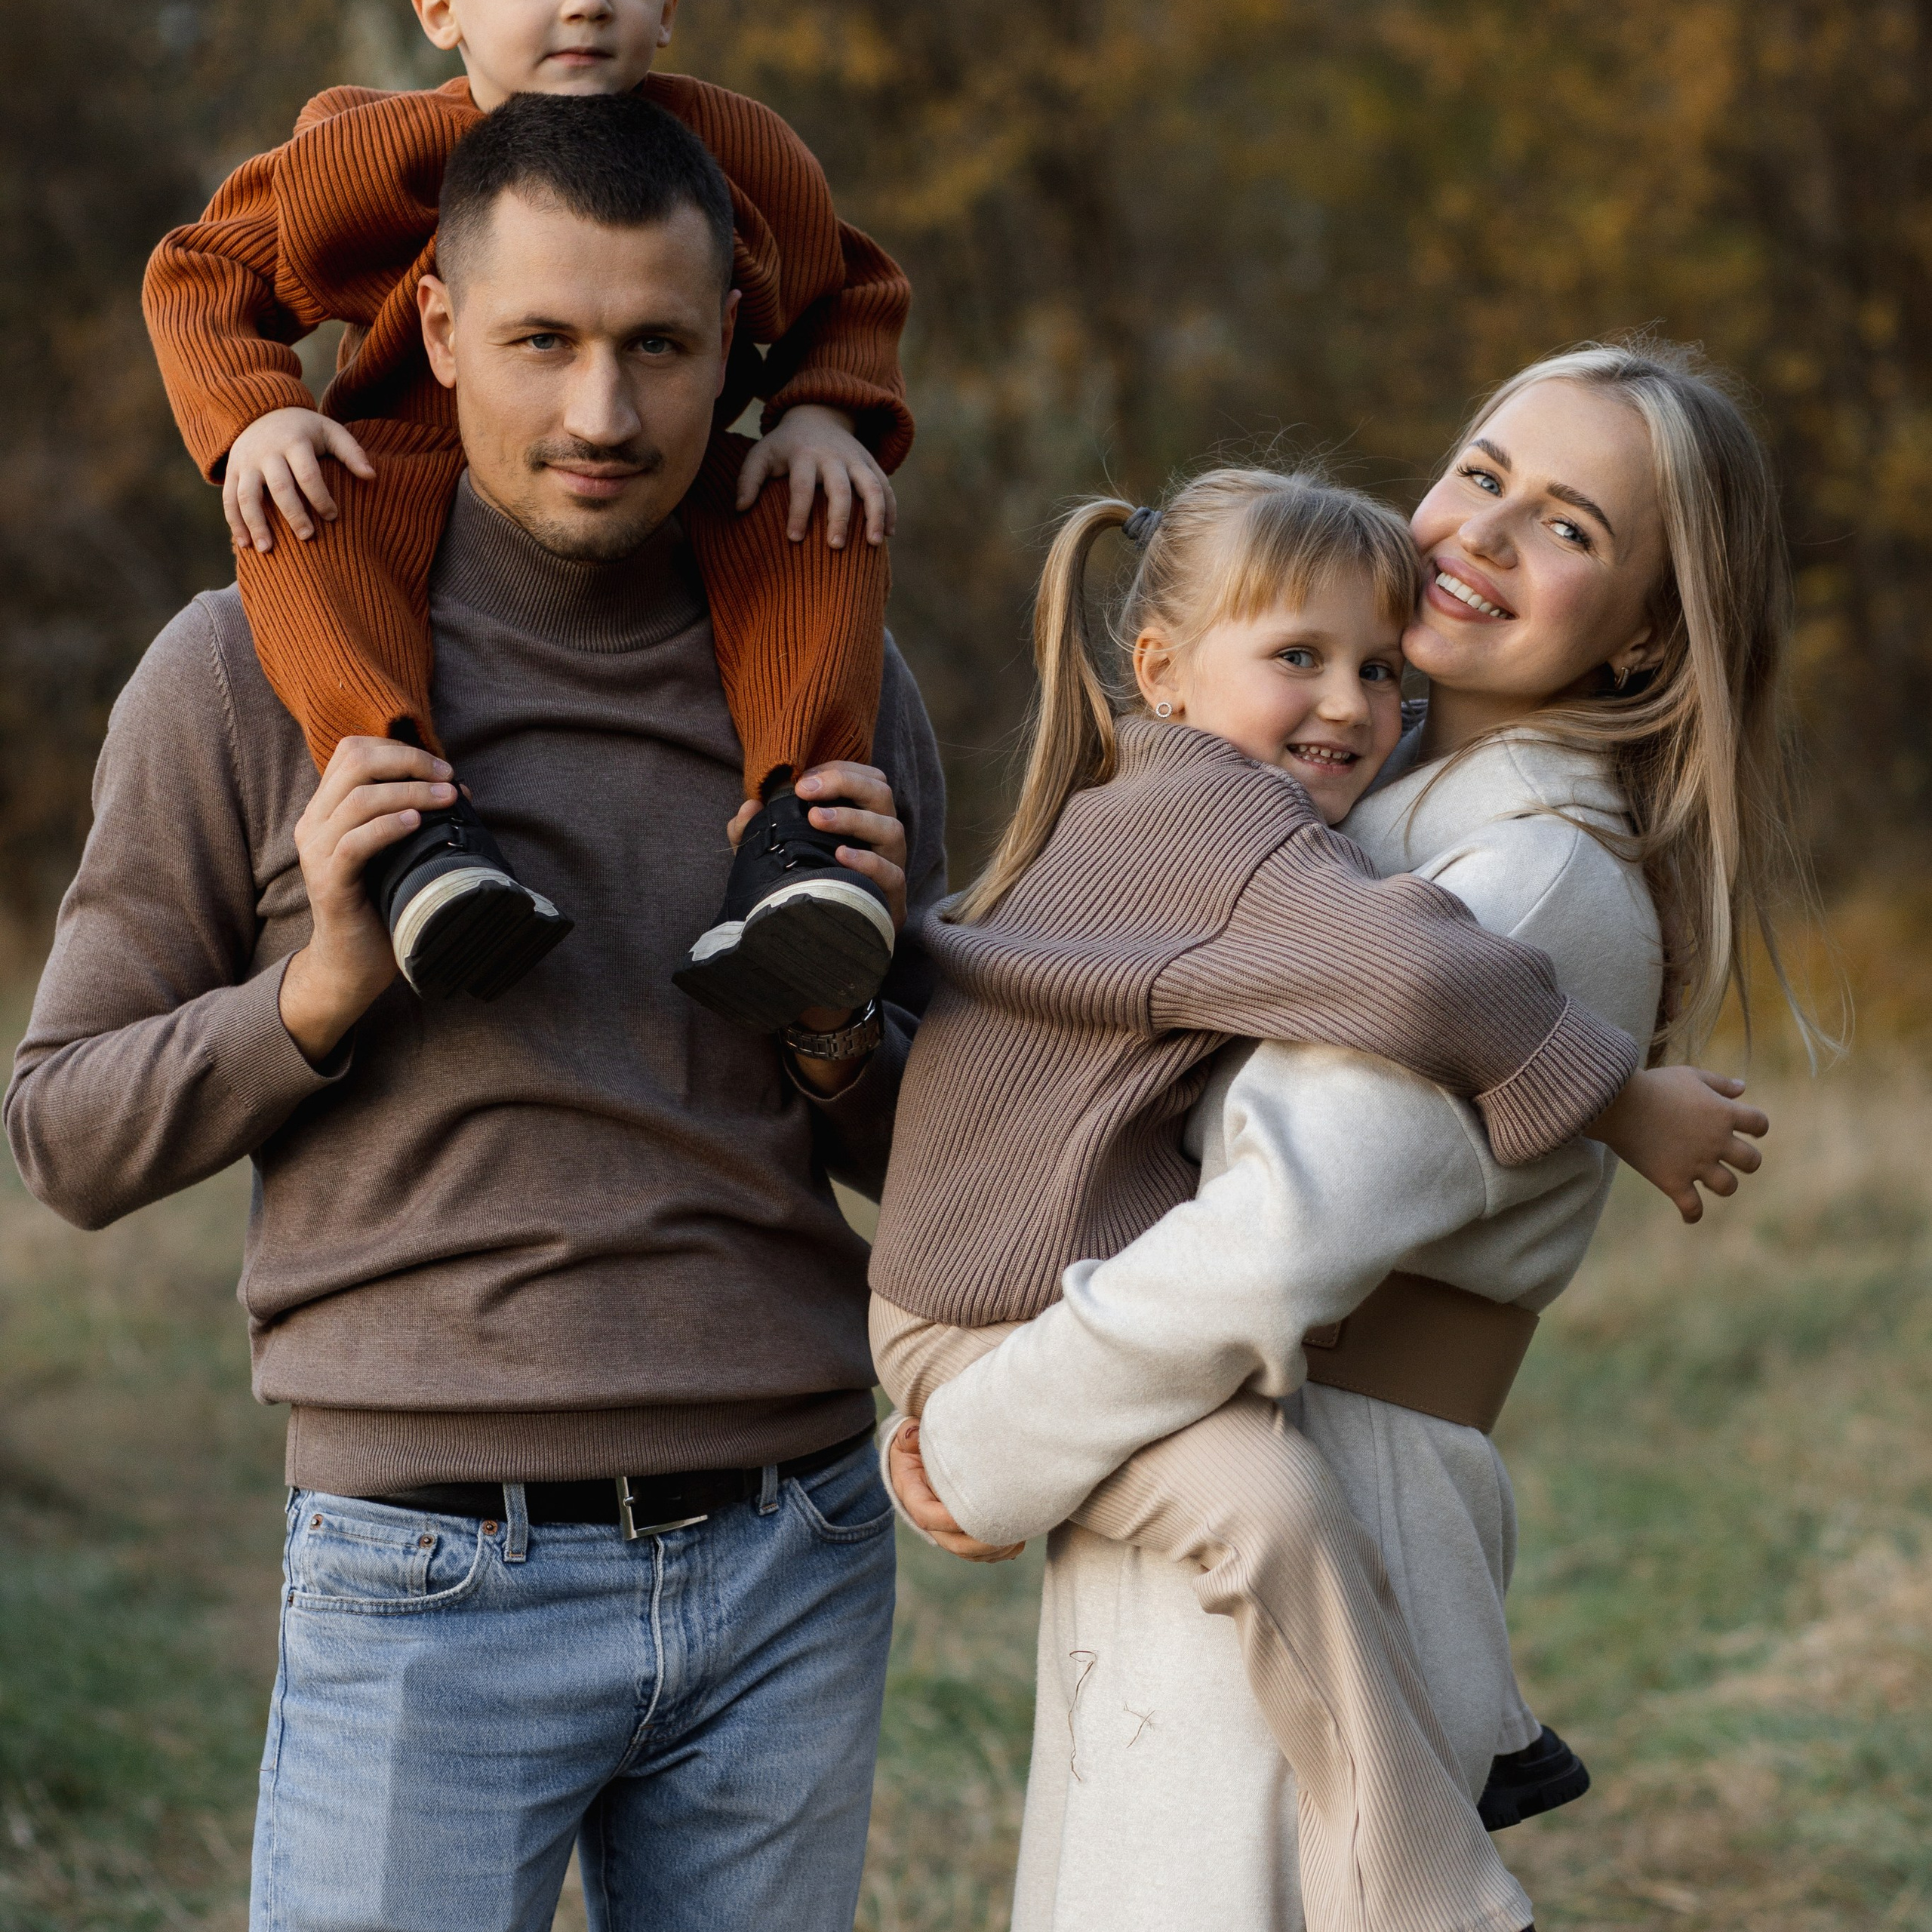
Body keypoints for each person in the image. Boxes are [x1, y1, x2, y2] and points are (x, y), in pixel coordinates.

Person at [7, 95, 946, 1932]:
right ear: (438, 331)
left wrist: (842, 1030)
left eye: (659, 347)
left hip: (794, 1550)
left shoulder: (832, 674)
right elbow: (61, 1133)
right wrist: (324, 989)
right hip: (428, 1562)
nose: (603, 413)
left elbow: (938, 1158)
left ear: (738, 345)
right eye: (544, 342)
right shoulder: (240, 670)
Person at [890, 342, 1807, 1930]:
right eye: (1480, 472)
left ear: (1650, 623)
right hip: (1208, 1472)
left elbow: (1275, 1237)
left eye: (1569, 526)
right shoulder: (1329, 821)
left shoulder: (1514, 875)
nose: (1483, 532)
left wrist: (980, 1444)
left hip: (1309, 1490)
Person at [143, 0, 912, 1027]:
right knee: (293, 512)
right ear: (439, 9)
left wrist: (823, 409)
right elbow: (206, 269)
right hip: (391, 470)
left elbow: (850, 285)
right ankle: (414, 826)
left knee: (823, 509)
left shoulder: (735, 152)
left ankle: (799, 842)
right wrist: (255, 413)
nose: (584, 2)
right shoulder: (369, 153)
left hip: (662, 487)